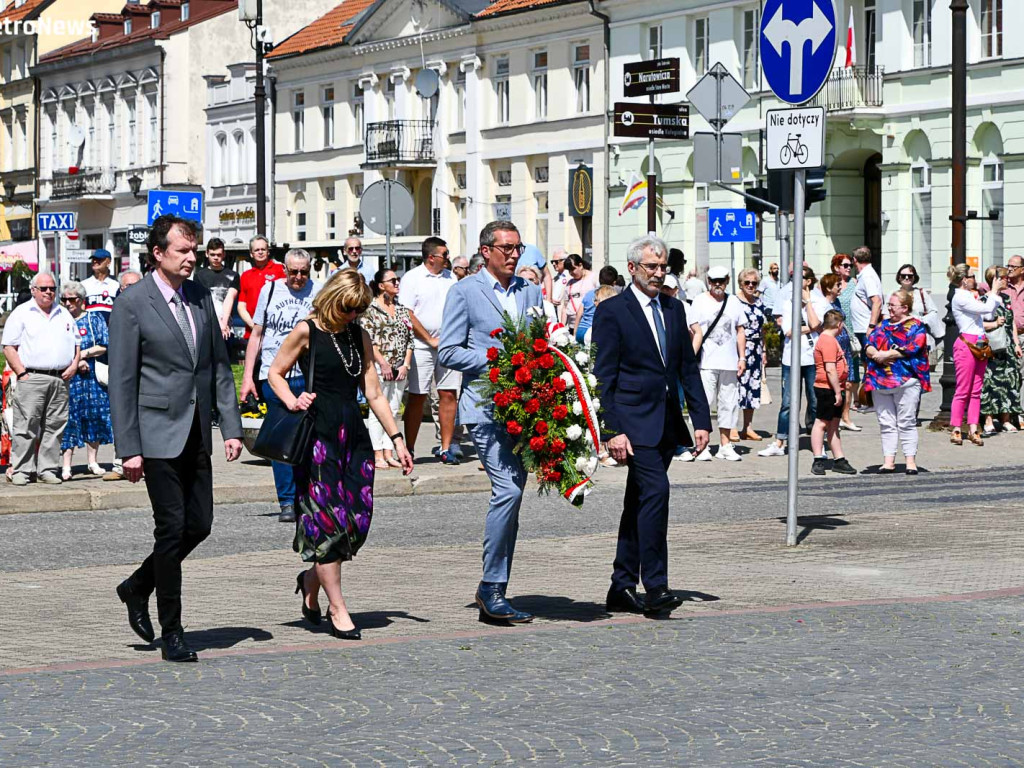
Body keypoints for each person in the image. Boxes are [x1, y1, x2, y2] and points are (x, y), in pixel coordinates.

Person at [109, 215, 244, 663]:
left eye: (194, 250)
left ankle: (137, 585)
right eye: (183, 251)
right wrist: (128, 447)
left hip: (195, 433)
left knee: (198, 525)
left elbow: (218, 367)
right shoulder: (132, 302)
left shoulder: (201, 296)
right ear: (158, 253)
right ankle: (173, 632)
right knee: (170, 528)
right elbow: (123, 381)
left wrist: (231, 427)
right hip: (154, 435)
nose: (192, 258)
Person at [268, 270, 413, 640]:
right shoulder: (306, 330)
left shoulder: (358, 335)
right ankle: (338, 607)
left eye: (358, 311)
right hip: (318, 436)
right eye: (349, 309)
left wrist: (397, 439)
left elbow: (375, 393)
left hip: (354, 437)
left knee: (355, 525)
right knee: (328, 525)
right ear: (334, 300)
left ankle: (310, 578)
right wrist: (292, 399)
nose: (354, 316)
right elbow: (275, 373)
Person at [593, 234, 711, 616]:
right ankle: (656, 586)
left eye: (664, 267)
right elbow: (603, 376)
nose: (659, 274)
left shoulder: (674, 309)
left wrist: (702, 419)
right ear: (632, 269)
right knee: (657, 493)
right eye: (652, 267)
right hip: (631, 422)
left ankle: (621, 584)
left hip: (665, 422)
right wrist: (611, 430)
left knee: (639, 502)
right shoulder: (614, 311)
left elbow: (687, 370)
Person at [439, 220, 544, 624]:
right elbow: (449, 351)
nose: (515, 254)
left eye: (518, 248)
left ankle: (494, 588)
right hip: (484, 407)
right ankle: (492, 587)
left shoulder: (529, 290)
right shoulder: (465, 292)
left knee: (513, 495)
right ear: (486, 251)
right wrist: (497, 359)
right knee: (509, 492)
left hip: (526, 409)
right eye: (507, 248)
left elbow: (542, 337)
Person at [240, 249, 322, 522]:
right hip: (274, 376)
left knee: (311, 441)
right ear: (283, 270)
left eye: (303, 272)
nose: (298, 277)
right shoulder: (271, 290)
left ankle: (307, 497)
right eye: (293, 271)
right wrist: (247, 377)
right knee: (282, 441)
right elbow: (257, 335)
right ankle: (287, 501)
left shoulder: (319, 291)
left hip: (308, 375)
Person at [1, 272, 81, 485]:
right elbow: (9, 346)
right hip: (32, 376)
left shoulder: (63, 313)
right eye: (44, 288)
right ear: (34, 290)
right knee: (26, 426)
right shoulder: (22, 313)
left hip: (60, 378)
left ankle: (47, 469)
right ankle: (21, 470)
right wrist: (22, 373)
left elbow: (77, 343)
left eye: (52, 289)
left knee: (55, 426)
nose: (48, 292)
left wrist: (74, 364)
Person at [399, 237, 461, 464]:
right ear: (431, 256)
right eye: (444, 254)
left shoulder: (450, 277)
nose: (448, 257)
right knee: (418, 395)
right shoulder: (412, 278)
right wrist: (428, 338)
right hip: (421, 345)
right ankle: (410, 447)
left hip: (448, 343)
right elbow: (406, 313)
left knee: (448, 393)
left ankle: (446, 447)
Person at [758, 266, 824, 458]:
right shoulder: (788, 302)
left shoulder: (818, 301)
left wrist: (809, 305)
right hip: (791, 358)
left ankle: (816, 441)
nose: (795, 281)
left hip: (812, 357)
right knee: (787, 402)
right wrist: (811, 328)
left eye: (800, 278)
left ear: (809, 281)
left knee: (814, 400)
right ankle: (780, 441)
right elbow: (788, 330)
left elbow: (818, 324)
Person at [864, 290, 931, 474]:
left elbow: (913, 347)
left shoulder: (916, 325)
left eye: (893, 305)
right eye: (889, 305)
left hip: (906, 380)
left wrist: (886, 354)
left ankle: (910, 461)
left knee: (907, 421)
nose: (889, 308)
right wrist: (875, 354)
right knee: (886, 422)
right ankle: (889, 461)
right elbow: (868, 343)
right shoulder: (882, 325)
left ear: (905, 307)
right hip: (880, 381)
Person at [685, 265, 746, 462]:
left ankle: (725, 444)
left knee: (729, 403)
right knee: (703, 402)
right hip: (706, 361)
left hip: (729, 361)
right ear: (708, 281)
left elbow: (740, 331)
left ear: (727, 280)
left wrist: (742, 357)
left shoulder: (734, 301)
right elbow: (692, 331)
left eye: (721, 280)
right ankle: (702, 445)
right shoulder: (700, 301)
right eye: (713, 281)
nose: (717, 284)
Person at [59, 281, 113, 480]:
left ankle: (92, 461)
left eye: (71, 299)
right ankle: (66, 465)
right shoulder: (60, 320)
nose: (67, 303)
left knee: (94, 418)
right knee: (69, 419)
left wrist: (82, 356)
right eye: (63, 299)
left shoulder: (94, 318)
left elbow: (104, 344)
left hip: (92, 379)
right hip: (70, 377)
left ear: (81, 300)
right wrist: (74, 361)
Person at [362, 268, 414, 469]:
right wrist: (383, 363)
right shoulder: (371, 309)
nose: (397, 283)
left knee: (394, 409)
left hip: (400, 367)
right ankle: (376, 453)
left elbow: (410, 339)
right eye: (393, 280)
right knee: (378, 410)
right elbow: (369, 339)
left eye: (398, 279)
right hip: (379, 366)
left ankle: (388, 450)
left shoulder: (401, 309)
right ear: (381, 285)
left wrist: (405, 364)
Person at [948, 263, 1003, 446]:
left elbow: (988, 315)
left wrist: (992, 297)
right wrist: (994, 291)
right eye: (972, 276)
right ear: (964, 280)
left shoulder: (971, 296)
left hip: (980, 342)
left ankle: (973, 427)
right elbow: (986, 310)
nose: (976, 279)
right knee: (963, 388)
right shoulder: (960, 297)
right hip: (966, 343)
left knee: (976, 390)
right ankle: (956, 427)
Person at [101, 270, 144, 483]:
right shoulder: (118, 308)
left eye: (136, 284)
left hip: (146, 377)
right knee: (123, 416)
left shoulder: (151, 307)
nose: (131, 289)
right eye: (127, 286)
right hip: (125, 375)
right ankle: (121, 463)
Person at [810, 309, 857, 475]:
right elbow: (830, 369)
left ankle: (839, 459)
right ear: (839, 324)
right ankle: (818, 458)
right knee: (822, 422)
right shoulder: (828, 341)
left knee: (834, 424)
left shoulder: (830, 339)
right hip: (827, 388)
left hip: (836, 387)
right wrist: (838, 391)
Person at [980, 266, 1022, 436]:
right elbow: (980, 324)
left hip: (1008, 346)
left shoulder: (1006, 298)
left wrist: (1017, 343)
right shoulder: (984, 300)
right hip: (992, 348)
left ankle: (1005, 419)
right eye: (1004, 277)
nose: (1008, 280)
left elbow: (1011, 323)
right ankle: (988, 419)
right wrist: (995, 323)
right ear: (995, 279)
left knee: (1010, 382)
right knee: (990, 383)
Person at [736, 267, 770, 441]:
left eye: (754, 283)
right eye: (747, 282)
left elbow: (762, 328)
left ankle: (747, 427)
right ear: (740, 284)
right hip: (739, 349)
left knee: (752, 388)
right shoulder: (734, 302)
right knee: (737, 388)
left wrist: (763, 350)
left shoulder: (759, 302)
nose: (750, 285)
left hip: (756, 349)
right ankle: (732, 427)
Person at [830, 254, 861, 430]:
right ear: (836, 267)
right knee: (836, 378)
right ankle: (835, 416)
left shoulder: (854, 283)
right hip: (834, 336)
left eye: (850, 265)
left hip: (850, 335)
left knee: (850, 379)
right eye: (845, 265)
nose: (849, 268)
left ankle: (846, 417)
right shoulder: (831, 284)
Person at [237, 235, 285, 339]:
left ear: (268, 252)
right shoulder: (245, 275)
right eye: (257, 250)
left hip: (276, 333)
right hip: (252, 334)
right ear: (251, 253)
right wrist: (254, 326)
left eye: (263, 249)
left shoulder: (280, 270)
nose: (260, 252)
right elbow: (241, 306)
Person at [194, 238, 240, 340]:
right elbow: (200, 302)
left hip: (227, 327)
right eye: (212, 254)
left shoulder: (233, 275)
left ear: (223, 254)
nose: (216, 258)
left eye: (219, 255)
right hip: (206, 325)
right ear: (207, 254)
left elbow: (230, 298)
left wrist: (223, 323)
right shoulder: (199, 276)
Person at [850, 245, 882, 372]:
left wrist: (871, 326)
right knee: (865, 362)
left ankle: (870, 390)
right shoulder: (865, 275)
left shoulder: (867, 276)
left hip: (866, 327)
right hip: (862, 326)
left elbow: (877, 301)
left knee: (870, 363)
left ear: (854, 260)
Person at [575, 265, 619, 342]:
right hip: (594, 332)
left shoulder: (589, 293)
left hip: (581, 329)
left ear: (599, 279)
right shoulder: (611, 295)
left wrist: (575, 332)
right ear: (614, 283)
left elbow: (579, 313)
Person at [81, 248, 120, 324]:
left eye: (99, 259)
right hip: (91, 330)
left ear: (108, 262)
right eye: (93, 259)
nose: (95, 261)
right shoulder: (84, 285)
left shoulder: (116, 285)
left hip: (110, 330)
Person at [559, 253, 598, 329]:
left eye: (573, 269)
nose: (571, 273)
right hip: (572, 326)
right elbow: (565, 307)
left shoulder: (594, 278)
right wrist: (562, 326)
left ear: (580, 265)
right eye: (569, 270)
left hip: (589, 326)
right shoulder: (569, 283)